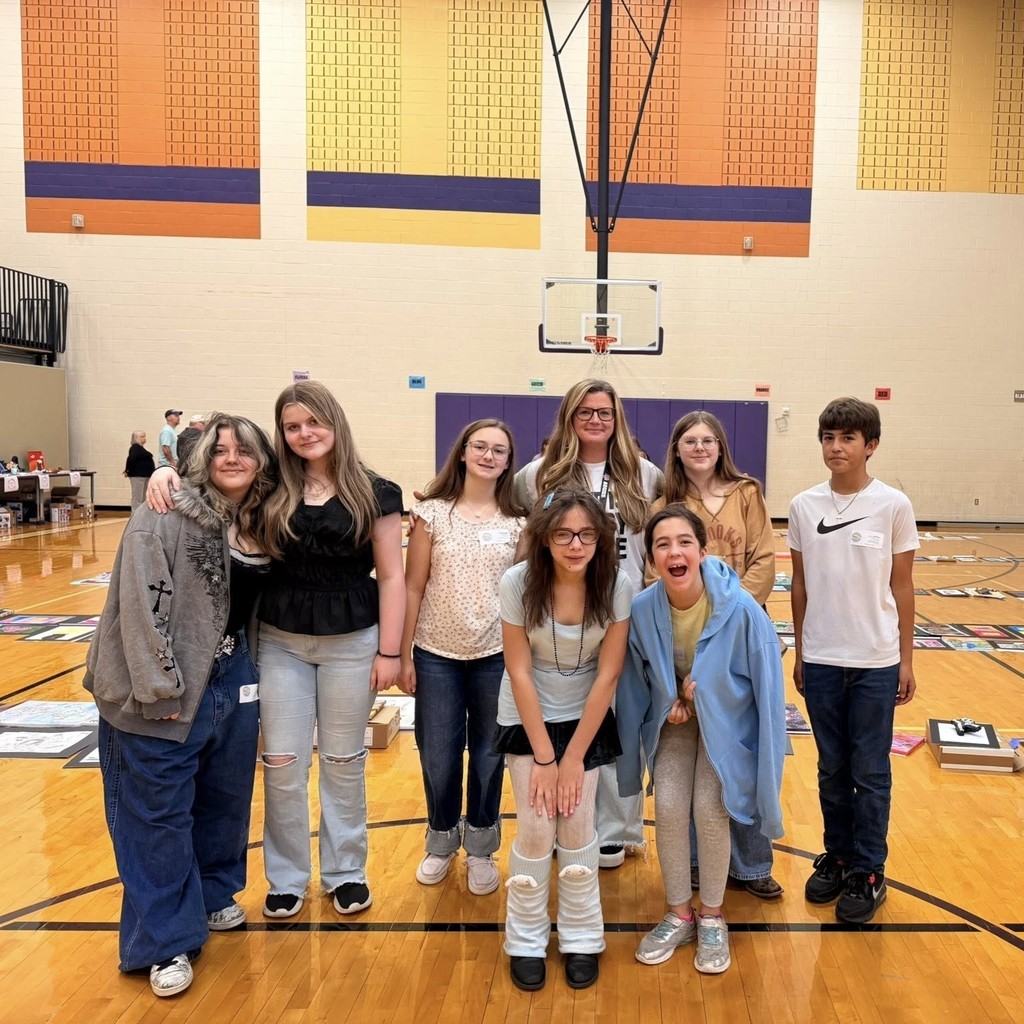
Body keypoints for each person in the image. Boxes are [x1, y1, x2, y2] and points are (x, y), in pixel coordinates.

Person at [147, 380, 405, 920]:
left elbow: (393, 577)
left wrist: (389, 651)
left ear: (335, 423)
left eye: (314, 422)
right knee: (282, 763)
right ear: (282, 434)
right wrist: (164, 469)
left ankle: (346, 872)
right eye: (292, 426)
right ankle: (286, 877)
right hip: (282, 642)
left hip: (353, 642)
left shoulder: (377, 491)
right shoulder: (269, 489)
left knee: (343, 761)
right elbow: (213, 484)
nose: (304, 433)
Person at [85, 415, 277, 997]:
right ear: (200, 458)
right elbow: (139, 608)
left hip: (232, 679)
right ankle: (166, 941)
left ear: (263, 459)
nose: (232, 458)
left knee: (224, 799)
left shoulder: (262, 518)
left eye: (245, 449)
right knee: (156, 816)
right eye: (220, 450)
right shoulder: (162, 511)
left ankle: (214, 893)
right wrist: (158, 686)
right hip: (159, 687)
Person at [616, 504, 785, 974]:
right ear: (651, 559)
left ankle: (711, 914)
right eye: (663, 545)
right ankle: (679, 912)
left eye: (684, 542)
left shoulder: (741, 608)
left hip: (727, 725)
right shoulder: (644, 607)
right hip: (675, 723)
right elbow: (639, 678)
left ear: (703, 551)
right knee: (668, 803)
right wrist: (668, 699)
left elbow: (766, 687)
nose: (675, 552)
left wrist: (709, 697)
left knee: (711, 806)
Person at [513, 378, 662, 868]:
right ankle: (565, 819)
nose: (596, 420)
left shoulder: (645, 475)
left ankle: (616, 828)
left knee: (618, 718)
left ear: (617, 418)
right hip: (562, 612)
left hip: (626, 609)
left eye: (604, 412)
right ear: (569, 417)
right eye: (585, 411)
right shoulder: (538, 475)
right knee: (569, 715)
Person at [495, 488, 631, 992]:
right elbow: (518, 669)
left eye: (587, 534)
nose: (576, 545)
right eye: (563, 534)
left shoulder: (616, 585)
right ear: (545, 538)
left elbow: (608, 675)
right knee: (534, 826)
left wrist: (572, 758)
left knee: (576, 826)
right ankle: (525, 938)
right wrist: (546, 759)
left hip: (587, 718)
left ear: (601, 538)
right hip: (527, 715)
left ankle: (581, 937)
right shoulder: (517, 582)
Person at [789, 397, 918, 924]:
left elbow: (903, 586)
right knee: (830, 768)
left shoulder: (893, 504)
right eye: (828, 438)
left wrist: (906, 659)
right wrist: (800, 650)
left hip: (875, 660)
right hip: (820, 659)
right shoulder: (802, 505)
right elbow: (798, 584)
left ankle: (869, 869)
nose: (836, 447)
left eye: (847, 438)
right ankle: (838, 855)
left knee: (870, 770)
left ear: (872, 445)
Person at [648, 411, 781, 898]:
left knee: (740, 754)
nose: (700, 448)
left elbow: (764, 559)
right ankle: (703, 868)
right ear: (677, 449)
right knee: (695, 771)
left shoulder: (746, 493)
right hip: (686, 643)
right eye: (690, 441)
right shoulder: (665, 502)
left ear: (721, 446)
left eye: (708, 440)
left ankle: (751, 865)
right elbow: (654, 571)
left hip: (739, 638)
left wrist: (732, 616)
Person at [400, 419, 526, 896]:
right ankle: (439, 840)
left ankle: (480, 846)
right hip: (436, 654)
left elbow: (522, 595)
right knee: (438, 754)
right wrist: (404, 652)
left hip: (496, 654)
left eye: (499, 449)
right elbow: (413, 586)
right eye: (480, 446)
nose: (488, 455)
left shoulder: (518, 522)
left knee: (491, 754)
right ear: (463, 452)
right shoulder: (431, 514)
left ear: (508, 461)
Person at [123, 430, 156, 511]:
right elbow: (131, 459)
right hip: (138, 476)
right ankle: (135, 515)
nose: (144, 438)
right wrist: (127, 470)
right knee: (138, 497)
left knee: (143, 497)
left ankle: (140, 514)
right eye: (142, 437)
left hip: (144, 476)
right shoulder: (135, 447)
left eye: (144, 436)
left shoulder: (140, 448)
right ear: (136, 438)